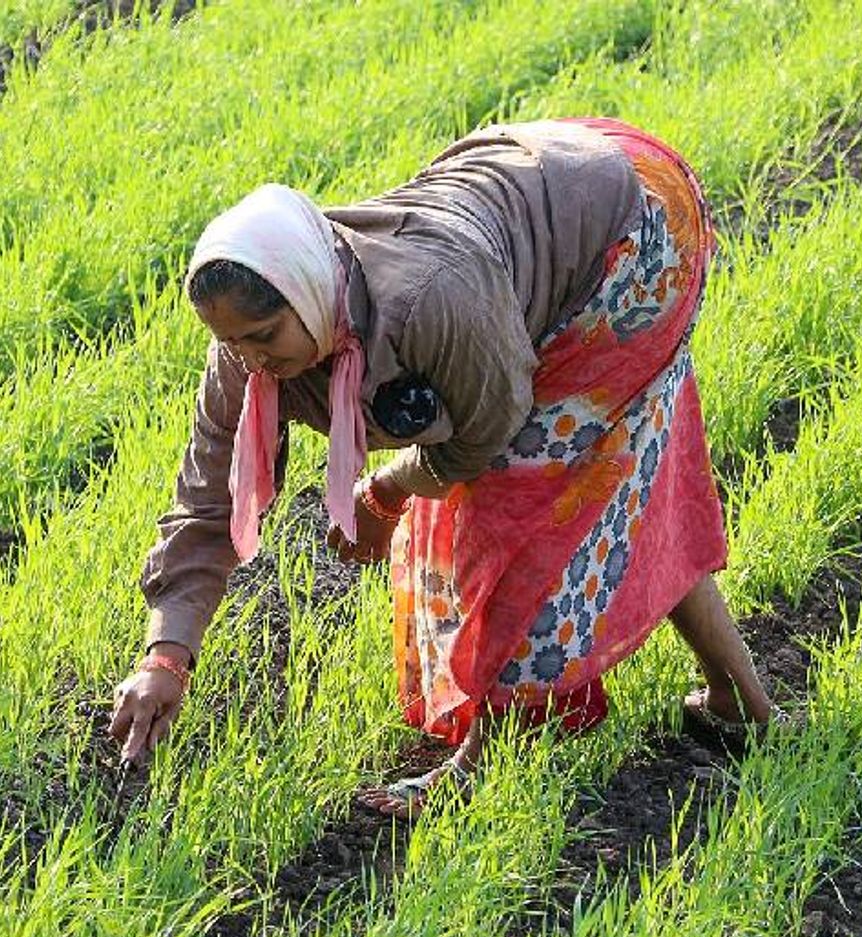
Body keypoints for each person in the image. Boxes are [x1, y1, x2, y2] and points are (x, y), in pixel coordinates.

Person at [108, 118, 779, 817]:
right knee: (613, 492)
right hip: (536, 204)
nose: (249, 359)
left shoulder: (429, 300)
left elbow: (486, 435)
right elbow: (208, 501)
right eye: (230, 342)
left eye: (263, 336)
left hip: (631, 234)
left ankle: (482, 764)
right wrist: (166, 655)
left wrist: (388, 490)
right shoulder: (248, 365)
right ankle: (738, 702)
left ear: (307, 287)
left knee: (519, 507)